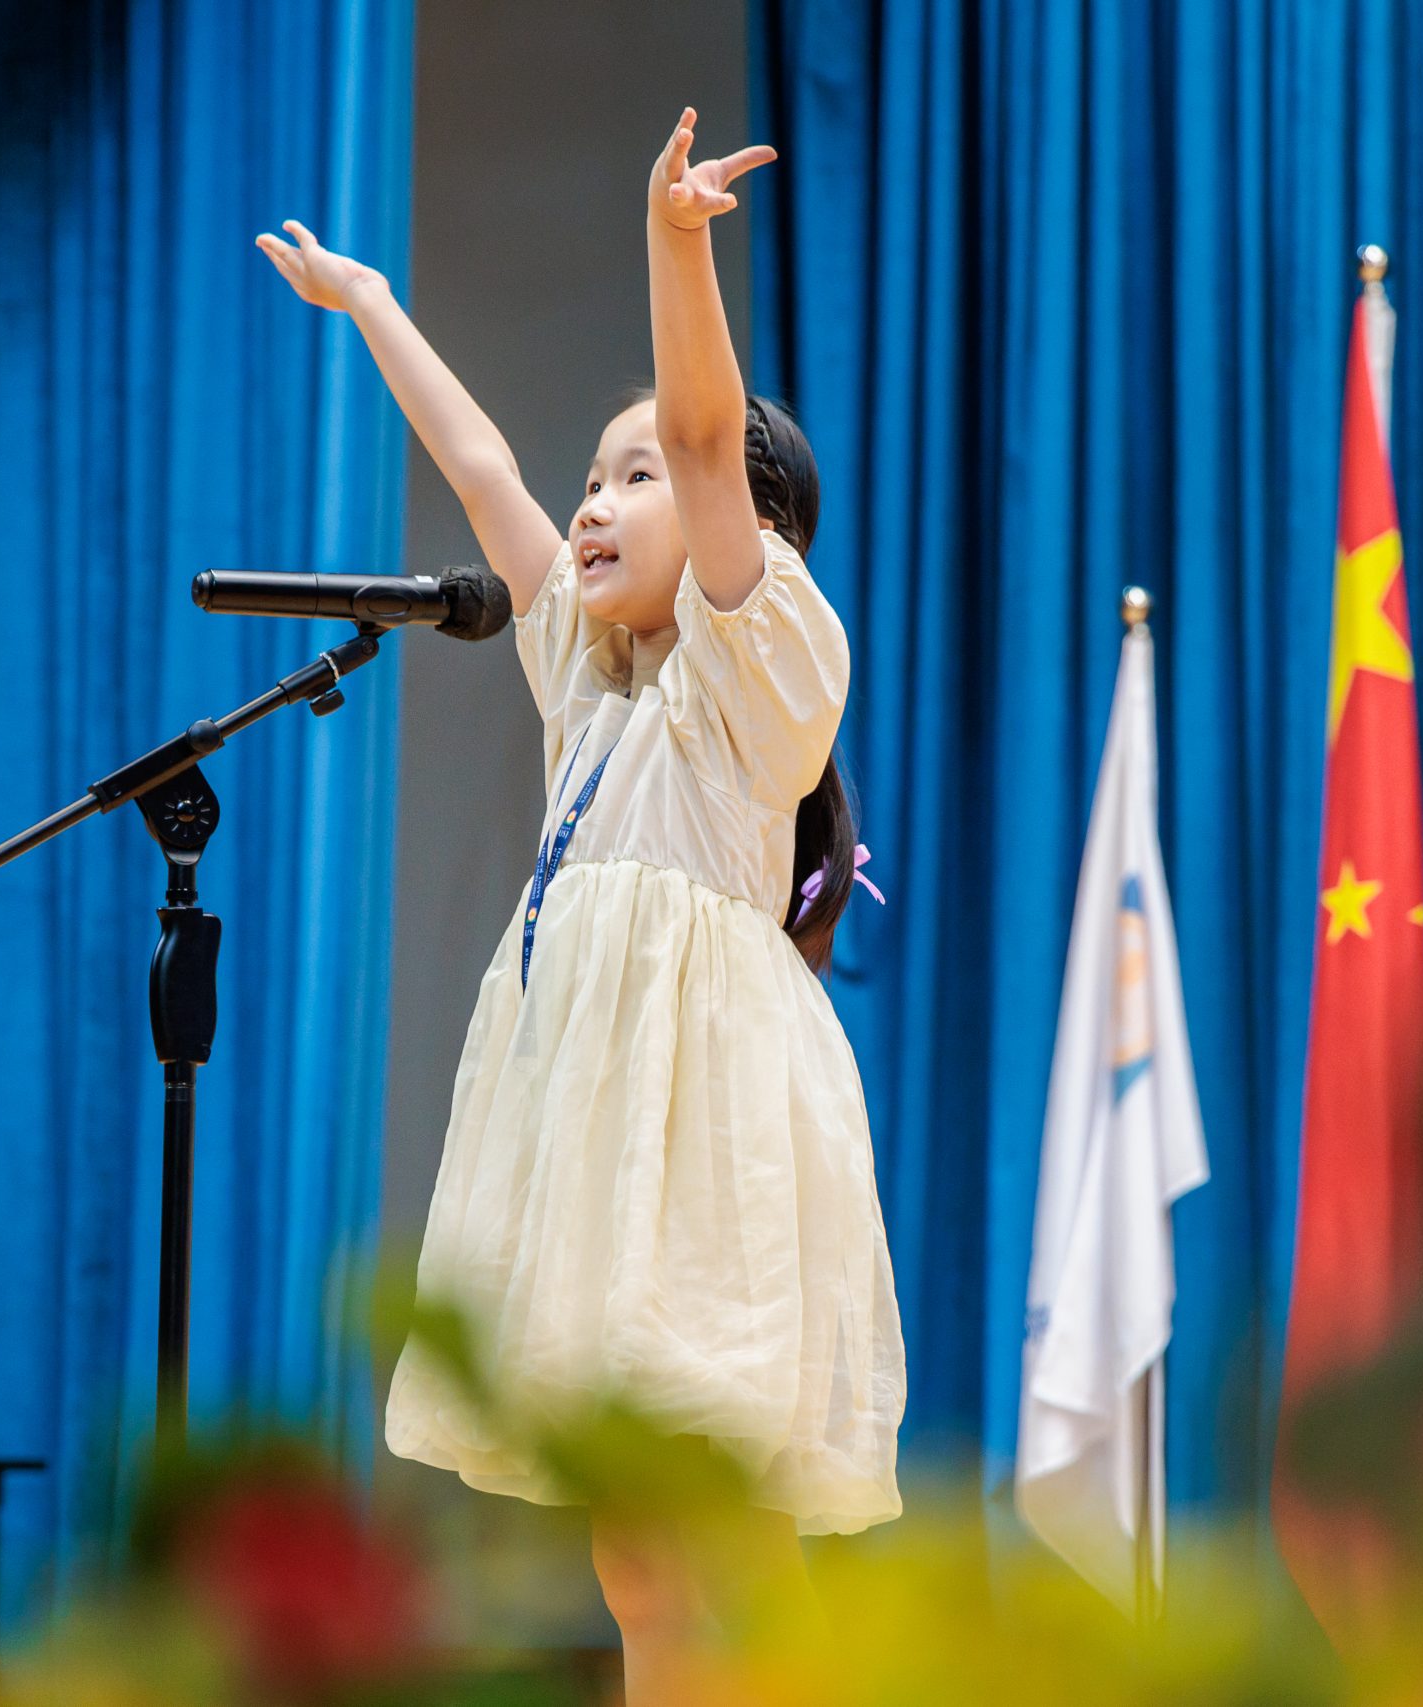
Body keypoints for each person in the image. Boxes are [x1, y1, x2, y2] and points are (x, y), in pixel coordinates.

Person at [257, 107, 903, 1697]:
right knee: (638, 1552)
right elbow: (482, 468)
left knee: (714, 1537)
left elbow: (708, 437)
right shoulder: (592, 688)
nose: (596, 505)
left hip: (710, 1149)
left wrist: (675, 245)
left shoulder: (761, 676)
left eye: (633, 477)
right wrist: (373, 303)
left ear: (758, 531)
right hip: (609, 1148)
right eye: (594, 479)